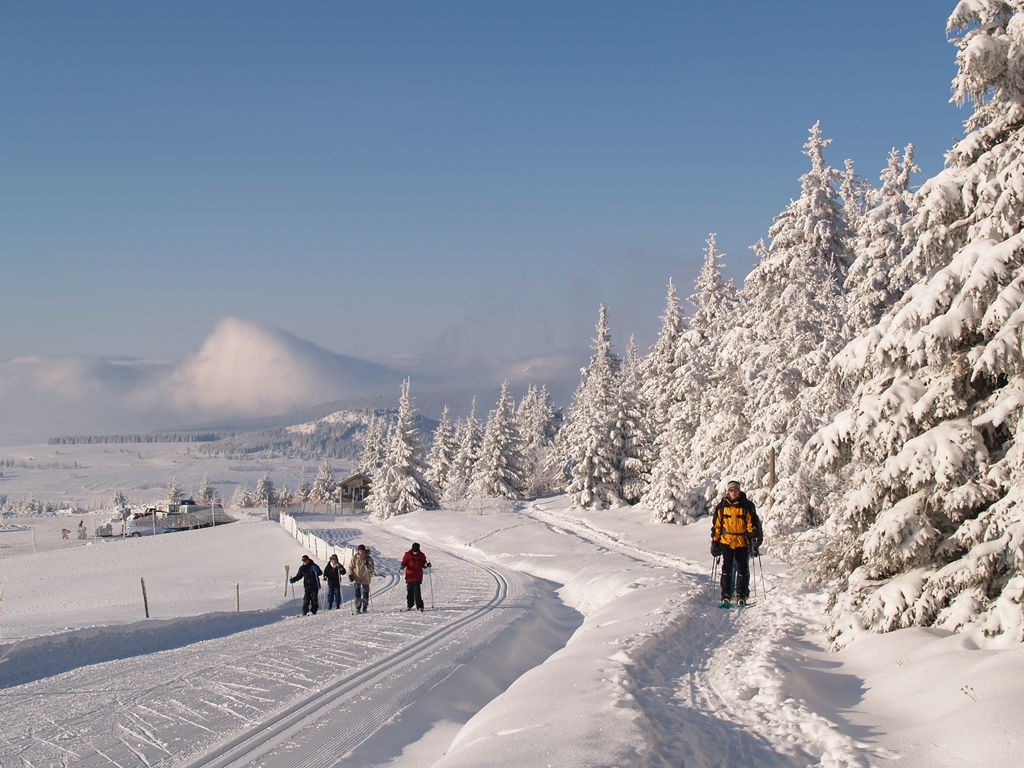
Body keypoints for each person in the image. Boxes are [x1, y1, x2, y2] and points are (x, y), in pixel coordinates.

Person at [710, 480, 763, 607]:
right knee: (726, 569)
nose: (733, 492)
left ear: (739, 491)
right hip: (726, 541)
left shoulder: (746, 505)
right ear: (728, 492)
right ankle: (726, 596)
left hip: (742, 542)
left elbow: (751, 522)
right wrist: (715, 542)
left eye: (735, 490)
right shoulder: (721, 506)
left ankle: (741, 595)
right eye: (731, 490)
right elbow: (717, 526)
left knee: (742, 569)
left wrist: (753, 534)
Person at [400, 542, 431, 611]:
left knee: (417, 592)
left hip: (417, 576)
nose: (415, 553)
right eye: (414, 551)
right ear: (412, 549)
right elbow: (404, 562)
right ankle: (410, 605)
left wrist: (427, 565)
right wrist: (403, 565)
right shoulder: (407, 555)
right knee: (410, 592)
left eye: (416, 551)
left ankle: (420, 606)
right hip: (409, 576)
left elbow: (423, 564)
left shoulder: (422, 555)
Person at [348, 544, 375, 614]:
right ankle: (357, 608)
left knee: (365, 593)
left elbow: (372, 569)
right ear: (358, 551)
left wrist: (368, 565)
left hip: (366, 578)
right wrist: (350, 575)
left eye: (362, 550)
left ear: (364, 550)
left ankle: (365, 607)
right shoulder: (354, 558)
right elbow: (350, 567)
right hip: (357, 578)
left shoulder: (368, 558)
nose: (361, 552)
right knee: (357, 593)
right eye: (360, 550)